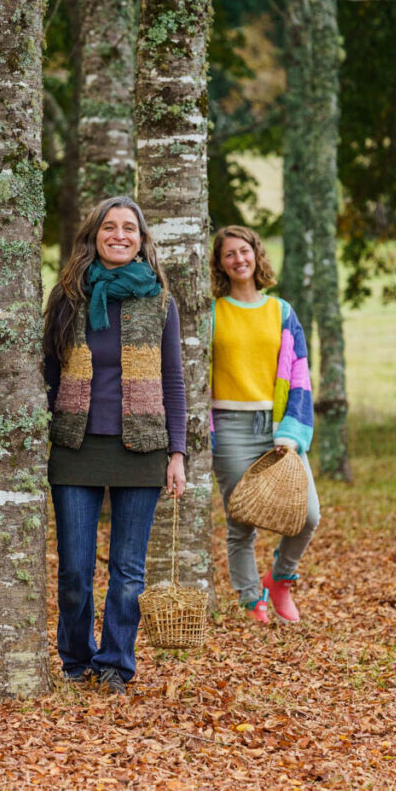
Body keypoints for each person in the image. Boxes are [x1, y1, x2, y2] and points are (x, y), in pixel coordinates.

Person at [44, 195, 187, 694]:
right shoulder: (67, 296)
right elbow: (45, 371)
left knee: (128, 572)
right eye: (110, 227)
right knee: (75, 571)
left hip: (142, 447)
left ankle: (116, 664)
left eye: (129, 227)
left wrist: (177, 453)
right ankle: (74, 659)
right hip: (74, 444)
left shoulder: (159, 301)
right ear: (94, 234)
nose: (119, 235)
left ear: (142, 239)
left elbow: (174, 380)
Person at [210, 225, 319, 624]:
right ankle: (251, 598)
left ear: (257, 254)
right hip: (230, 427)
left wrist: (291, 435)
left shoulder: (282, 311)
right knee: (241, 520)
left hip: (278, 428)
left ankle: (281, 579)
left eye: (245, 251)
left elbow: (300, 375)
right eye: (229, 255)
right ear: (220, 264)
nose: (239, 259)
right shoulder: (212, 312)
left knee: (308, 515)